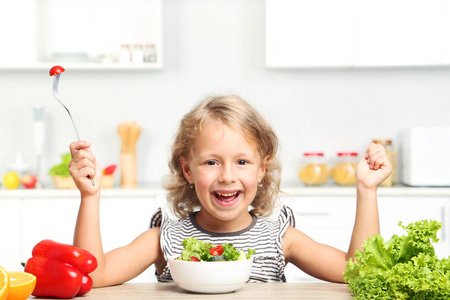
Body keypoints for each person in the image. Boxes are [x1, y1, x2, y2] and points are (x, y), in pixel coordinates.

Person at [69, 95, 391, 287]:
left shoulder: (280, 237)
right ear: (187, 170)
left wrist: (366, 190)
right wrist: (90, 196)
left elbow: (360, 273)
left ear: (262, 168)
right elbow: (94, 277)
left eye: (242, 161)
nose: (227, 176)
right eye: (211, 162)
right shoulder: (165, 238)